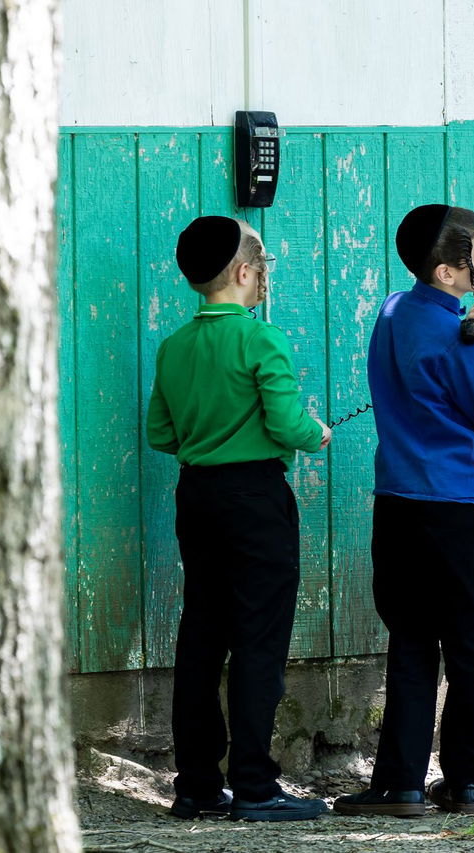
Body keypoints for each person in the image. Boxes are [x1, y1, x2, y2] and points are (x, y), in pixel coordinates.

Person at [334, 204, 474, 818]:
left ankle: (401, 785)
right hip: (460, 507)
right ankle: (468, 780)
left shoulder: (394, 311)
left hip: (398, 503)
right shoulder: (466, 342)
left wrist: (465, 325)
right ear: (450, 272)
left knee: (412, 642)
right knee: (470, 644)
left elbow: (417, 369)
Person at [147, 215, 332, 822]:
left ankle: (197, 785)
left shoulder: (174, 346)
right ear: (246, 273)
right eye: (264, 272)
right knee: (258, 641)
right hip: (255, 500)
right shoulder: (261, 340)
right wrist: (318, 433)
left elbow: (160, 433)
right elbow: (287, 427)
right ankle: (255, 785)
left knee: (201, 634)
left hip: (196, 497)